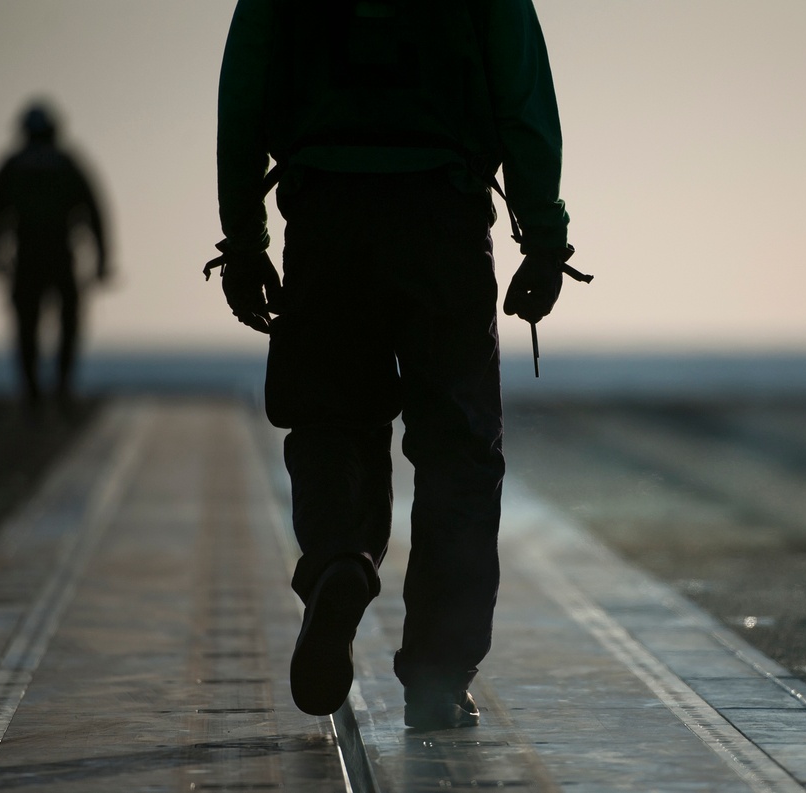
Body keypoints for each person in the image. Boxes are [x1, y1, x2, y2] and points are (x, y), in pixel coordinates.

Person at [208, 0, 589, 730]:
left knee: (329, 419)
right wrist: (543, 236)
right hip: (442, 218)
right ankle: (440, 677)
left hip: (324, 217)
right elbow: (523, 94)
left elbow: (242, 94)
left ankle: (337, 561)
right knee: (457, 450)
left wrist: (244, 239)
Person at [0, 101, 109, 412]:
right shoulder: (67, 164)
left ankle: (34, 394)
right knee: (66, 323)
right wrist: (102, 258)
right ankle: (59, 389)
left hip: (28, 256)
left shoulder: (12, 166)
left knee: (28, 326)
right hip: (57, 254)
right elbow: (94, 213)